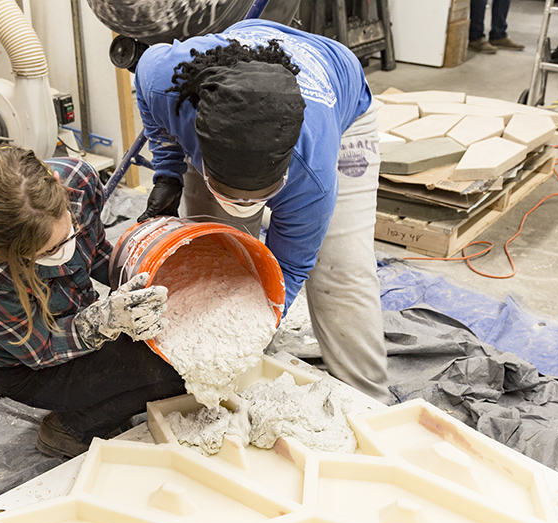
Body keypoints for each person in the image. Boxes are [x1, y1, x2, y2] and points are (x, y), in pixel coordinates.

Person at [134, 18, 392, 405]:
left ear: (285, 172)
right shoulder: (164, 80)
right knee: (217, 256)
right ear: (202, 157)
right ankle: (211, 374)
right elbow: (145, 86)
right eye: (230, 194)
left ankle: (368, 399)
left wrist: (251, 332)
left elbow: (290, 269)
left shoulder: (312, 175)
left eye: (259, 196)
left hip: (343, 104)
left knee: (343, 272)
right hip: (224, 98)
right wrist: (168, 173)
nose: (244, 207)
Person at [0, 145, 185, 458]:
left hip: (54, 316)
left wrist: (150, 274)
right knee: (175, 368)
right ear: (8, 252)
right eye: (48, 252)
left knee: (170, 337)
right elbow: (41, 349)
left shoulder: (78, 180)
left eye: (69, 231)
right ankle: (72, 426)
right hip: (29, 361)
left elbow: (95, 252)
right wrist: (102, 322)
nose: (66, 250)